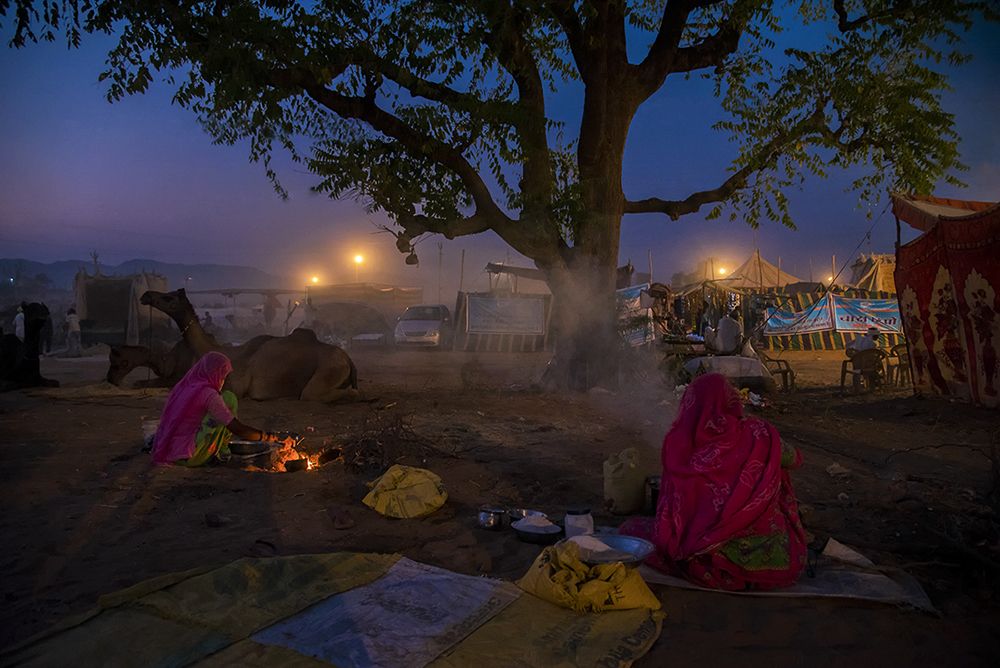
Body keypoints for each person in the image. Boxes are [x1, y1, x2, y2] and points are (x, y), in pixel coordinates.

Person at [622, 373, 806, 590]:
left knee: (631, 530)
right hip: (775, 559)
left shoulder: (679, 443)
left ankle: (706, 549)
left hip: (708, 557)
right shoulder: (759, 433)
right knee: (774, 465)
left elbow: (671, 505)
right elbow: (795, 460)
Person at [151, 351, 296, 466]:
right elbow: (237, 428)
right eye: (223, 376)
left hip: (169, 450)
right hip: (189, 457)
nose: (222, 381)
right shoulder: (208, 394)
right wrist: (268, 437)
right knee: (228, 399)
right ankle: (221, 453)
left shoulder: (187, 387)